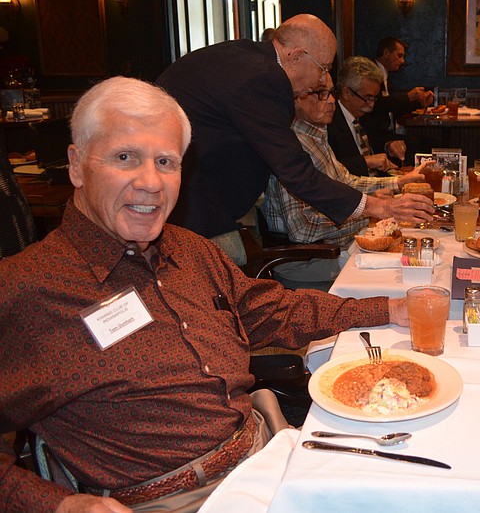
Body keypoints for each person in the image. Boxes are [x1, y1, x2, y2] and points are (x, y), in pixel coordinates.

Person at [0, 76, 409, 513]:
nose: (151, 183)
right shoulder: (26, 289)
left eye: (166, 162)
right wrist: (60, 505)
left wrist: (390, 308)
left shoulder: (191, 251)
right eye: (125, 158)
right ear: (77, 165)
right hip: (172, 500)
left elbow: (275, 309)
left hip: (265, 455)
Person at [156, 14, 433, 266]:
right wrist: (379, 206)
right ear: (297, 55)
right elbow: (296, 172)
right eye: (323, 68)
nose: (323, 80)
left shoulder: (248, 57)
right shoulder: (266, 78)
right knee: (222, 287)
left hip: (193, 195)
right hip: (193, 207)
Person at [261, 84, 427, 290]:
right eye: (320, 93)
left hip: (334, 249)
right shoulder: (291, 145)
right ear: (296, 99)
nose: (331, 101)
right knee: (406, 278)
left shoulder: (316, 136)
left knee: (418, 258)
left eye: (332, 93)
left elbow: (348, 182)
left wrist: (396, 184)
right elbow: (302, 230)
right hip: (308, 262)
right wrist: (371, 212)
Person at [359, 37, 432, 166]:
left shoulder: (386, 77)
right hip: (373, 133)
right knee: (421, 145)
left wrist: (419, 103)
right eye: (399, 56)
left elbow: (392, 107)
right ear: (386, 53)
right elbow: (377, 104)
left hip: (386, 133)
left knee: (427, 143)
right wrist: (408, 97)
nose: (402, 61)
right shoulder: (370, 73)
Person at [327, 56, 402, 177]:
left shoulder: (364, 114)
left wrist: (389, 145)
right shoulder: (328, 120)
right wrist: (365, 162)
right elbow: (327, 168)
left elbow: (378, 138)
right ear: (347, 93)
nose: (371, 105)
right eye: (367, 98)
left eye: (374, 98)